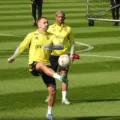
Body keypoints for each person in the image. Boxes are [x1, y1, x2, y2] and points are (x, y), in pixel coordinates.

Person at [8, 17, 68, 120]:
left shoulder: (51, 36)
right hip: (34, 64)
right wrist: (13, 57)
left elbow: (60, 46)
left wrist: (49, 47)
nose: (46, 24)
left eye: (47, 22)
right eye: (44, 22)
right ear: (38, 24)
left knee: (52, 90)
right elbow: (21, 46)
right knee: (40, 64)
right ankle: (60, 77)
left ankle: (49, 113)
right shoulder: (31, 35)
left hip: (47, 65)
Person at [45, 10, 75, 105]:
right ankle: (50, 95)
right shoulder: (49, 28)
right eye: (59, 17)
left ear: (64, 18)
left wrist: (72, 55)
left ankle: (64, 98)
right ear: (55, 17)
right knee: (51, 77)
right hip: (53, 55)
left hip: (64, 56)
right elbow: (46, 43)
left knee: (64, 76)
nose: (60, 18)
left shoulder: (68, 29)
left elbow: (72, 42)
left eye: (62, 17)